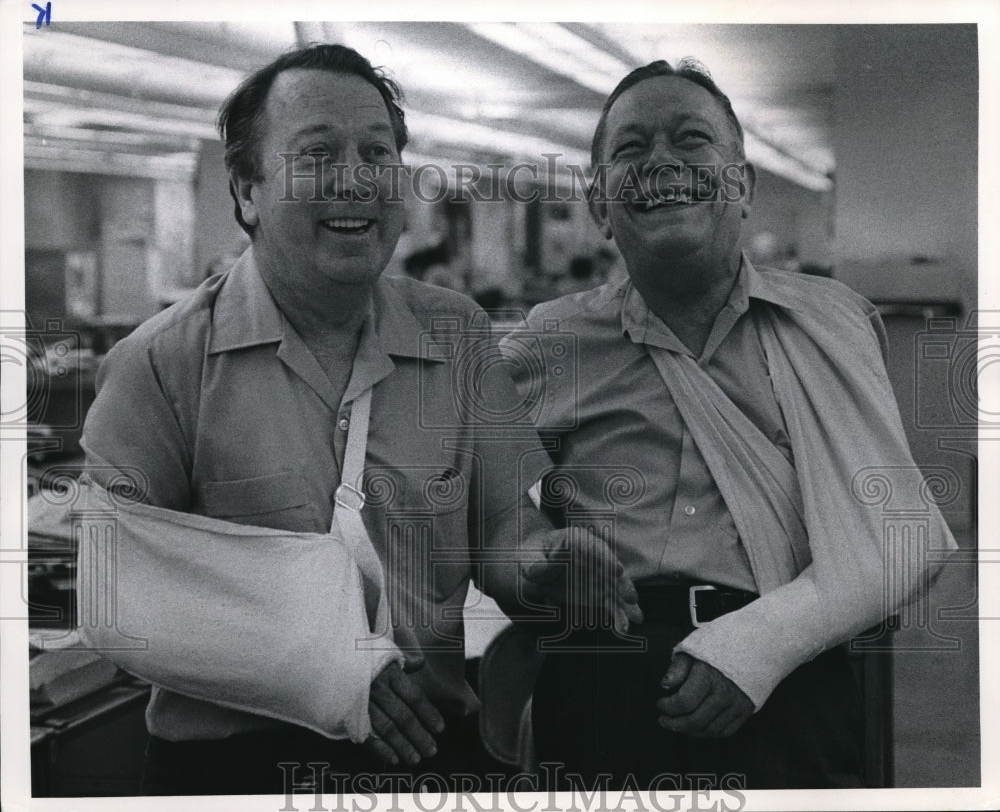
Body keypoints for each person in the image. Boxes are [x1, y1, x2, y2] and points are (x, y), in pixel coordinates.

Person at [77, 44, 615, 796]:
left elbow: (502, 536)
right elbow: (119, 601)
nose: (356, 177)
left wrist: (546, 571)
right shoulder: (162, 366)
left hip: (429, 754)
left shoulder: (457, 334)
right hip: (235, 769)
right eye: (318, 153)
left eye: (377, 152)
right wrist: (331, 673)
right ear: (246, 190)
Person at [500, 59, 957, 789]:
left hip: (791, 675)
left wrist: (763, 644)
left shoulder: (830, 323)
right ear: (597, 200)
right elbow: (463, 499)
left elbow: (900, 537)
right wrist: (538, 554)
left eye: (691, 139)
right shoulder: (549, 344)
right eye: (629, 149)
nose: (661, 162)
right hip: (607, 676)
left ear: (741, 184)